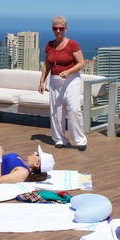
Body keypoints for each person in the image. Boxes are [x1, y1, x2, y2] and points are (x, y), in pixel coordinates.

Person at [38, 16, 87, 151]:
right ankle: (59, 139)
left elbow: (81, 63)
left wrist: (69, 72)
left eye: (61, 28)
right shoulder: (49, 45)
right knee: (56, 111)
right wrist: (42, 82)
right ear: (52, 29)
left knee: (74, 109)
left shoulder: (72, 44)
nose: (58, 30)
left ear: (65, 28)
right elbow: (46, 65)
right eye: (55, 28)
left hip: (71, 80)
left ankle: (80, 140)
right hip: (55, 81)